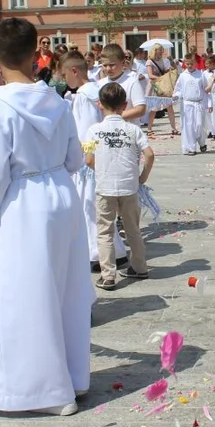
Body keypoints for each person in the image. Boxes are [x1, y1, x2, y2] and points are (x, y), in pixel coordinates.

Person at [0, 17, 94, 417]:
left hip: (21, 202)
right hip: (60, 194)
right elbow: (75, 159)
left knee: (20, 296)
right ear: (37, 52)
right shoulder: (57, 100)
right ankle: (72, 377)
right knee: (63, 289)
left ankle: (40, 392)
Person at [61, 51, 127, 272]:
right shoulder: (96, 90)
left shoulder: (83, 95)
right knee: (97, 209)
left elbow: (85, 131)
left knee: (91, 208)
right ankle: (113, 250)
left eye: (64, 75)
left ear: (74, 71)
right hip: (102, 158)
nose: (64, 81)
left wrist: (77, 157)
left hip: (88, 162)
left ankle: (98, 253)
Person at [85, 82, 154, 290]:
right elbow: (149, 154)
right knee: (133, 229)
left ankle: (108, 275)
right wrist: (142, 176)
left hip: (105, 186)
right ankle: (139, 267)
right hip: (129, 185)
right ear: (124, 105)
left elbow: (88, 159)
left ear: (100, 104)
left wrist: (102, 169)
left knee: (105, 231)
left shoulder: (93, 130)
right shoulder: (133, 129)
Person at [98, 44, 147, 124]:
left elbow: (140, 109)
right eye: (105, 65)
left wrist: (114, 116)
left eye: (112, 65)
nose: (108, 69)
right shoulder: (100, 84)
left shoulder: (131, 82)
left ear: (123, 63)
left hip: (127, 131)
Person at [173, 52, 209, 156]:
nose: (189, 66)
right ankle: (191, 147)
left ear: (195, 63)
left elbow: (205, 89)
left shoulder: (201, 74)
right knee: (189, 126)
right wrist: (176, 96)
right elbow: (179, 89)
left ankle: (202, 142)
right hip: (187, 105)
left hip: (198, 104)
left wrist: (208, 104)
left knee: (199, 125)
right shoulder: (183, 76)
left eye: (191, 64)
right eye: (187, 64)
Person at [145, 44, 179, 137]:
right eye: (160, 50)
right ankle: (149, 129)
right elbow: (150, 75)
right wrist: (162, 78)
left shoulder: (161, 61)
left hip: (163, 86)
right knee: (153, 109)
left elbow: (165, 71)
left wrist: (172, 63)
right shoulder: (149, 62)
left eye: (162, 50)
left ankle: (174, 128)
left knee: (169, 107)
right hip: (154, 87)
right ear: (155, 50)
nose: (162, 52)